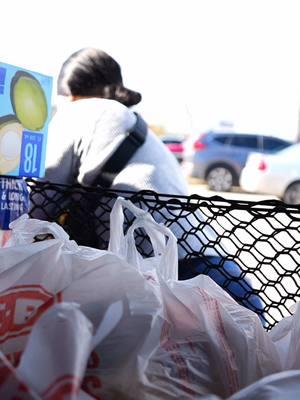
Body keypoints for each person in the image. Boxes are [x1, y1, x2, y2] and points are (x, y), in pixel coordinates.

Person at [33, 47, 263, 320]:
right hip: (225, 280)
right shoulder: (134, 125)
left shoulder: (77, 112)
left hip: (173, 288)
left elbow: (36, 204)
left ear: (67, 93)